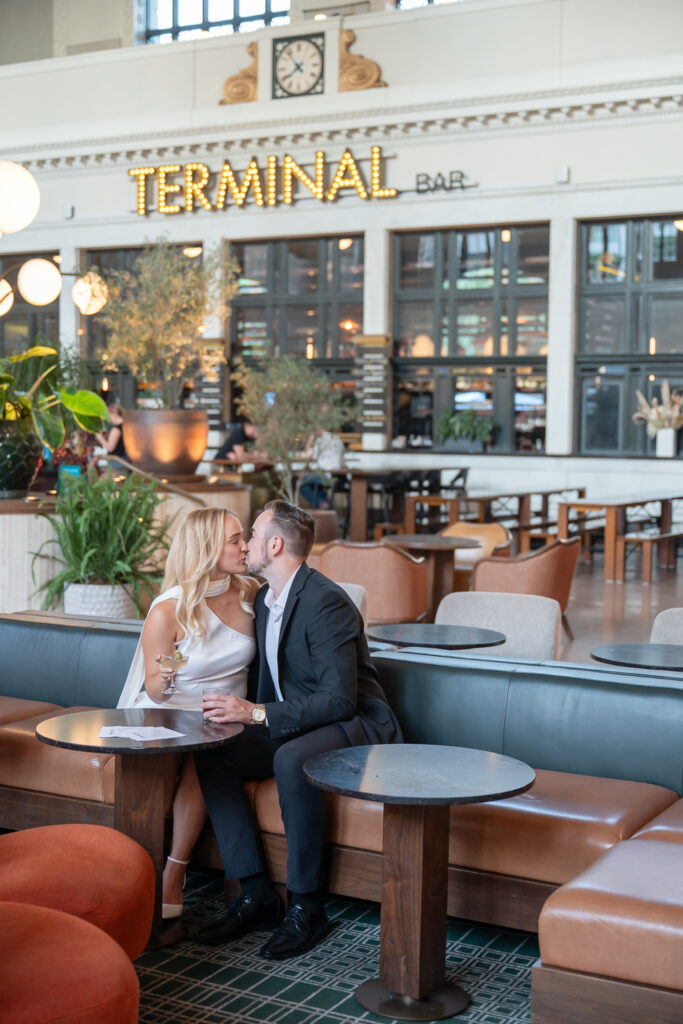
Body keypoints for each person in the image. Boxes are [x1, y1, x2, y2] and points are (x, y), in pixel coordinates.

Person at [193, 500, 402, 959]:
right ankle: (255, 894)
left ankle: (308, 907)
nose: (245, 544)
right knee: (213, 746)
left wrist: (257, 714)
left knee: (291, 758)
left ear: (274, 544)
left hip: (357, 722)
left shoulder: (326, 601)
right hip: (299, 721)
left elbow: (340, 699)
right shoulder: (265, 601)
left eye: (252, 535)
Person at [117, 507, 259, 919]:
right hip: (171, 710)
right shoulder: (168, 610)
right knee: (169, 751)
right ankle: (135, 875)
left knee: (209, 750)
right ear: (206, 548)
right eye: (234, 540)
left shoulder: (251, 591)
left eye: (242, 537)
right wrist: (167, 674)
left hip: (224, 717)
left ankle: (174, 871)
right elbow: (157, 693)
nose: (244, 546)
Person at [299, 429, 345, 509]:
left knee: (303, 483)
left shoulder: (320, 441)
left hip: (325, 475)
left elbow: (307, 456)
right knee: (312, 482)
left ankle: (321, 504)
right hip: (338, 477)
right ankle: (324, 502)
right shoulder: (337, 439)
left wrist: (311, 438)